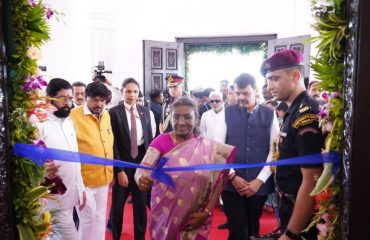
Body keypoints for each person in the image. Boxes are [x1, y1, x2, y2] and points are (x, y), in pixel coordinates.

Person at [135, 97, 235, 240]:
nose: (181, 122)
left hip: (195, 218)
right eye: (176, 117)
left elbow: (218, 181)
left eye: (187, 117)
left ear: (196, 118)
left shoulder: (209, 148)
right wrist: (140, 178)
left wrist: (207, 212)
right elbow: (143, 167)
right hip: (164, 215)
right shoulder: (161, 141)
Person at [261, 49, 325, 240]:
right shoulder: (294, 110)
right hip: (290, 204)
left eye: (274, 78)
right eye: (268, 80)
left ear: (296, 75)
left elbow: (311, 180)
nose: (269, 86)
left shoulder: (306, 115)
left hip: (305, 220)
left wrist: (291, 233)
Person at [221, 73, 279, 239]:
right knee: (238, 230)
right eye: (238, 93)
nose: (241, 97)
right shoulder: (227, 112)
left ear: (255, 91)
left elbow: (274, 151)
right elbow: (219, 148)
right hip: (231, 185)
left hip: (258, 185)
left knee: (253, 228)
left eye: (246, 93)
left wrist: (259, 181)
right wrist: (232, 176)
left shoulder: (269, 114)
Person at [37, 78, 86, 240]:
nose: (68, 102)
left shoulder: (69, 122)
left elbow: (75, 159)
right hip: (51, 199)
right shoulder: (38, 124)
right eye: (63, 98)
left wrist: (81, 189)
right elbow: (29, 164)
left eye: (70, 98)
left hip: (69, 196)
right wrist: (42, 173)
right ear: (48, 99)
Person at [108, 78, 155, 240]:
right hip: (122, 165)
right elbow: (112, 143)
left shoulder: (145, 112)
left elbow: (149, 141)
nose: (132, 94)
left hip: (140, 166)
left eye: (135, 91)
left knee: (141, 208)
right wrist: (118, 170)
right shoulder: (113, 113)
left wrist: (148, 167)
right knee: (117, 208)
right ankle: (115, 236)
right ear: (122, 92)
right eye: (128, 91)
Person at [70, 81, 114, 240]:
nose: (99, 104)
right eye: (95, 100)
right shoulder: (73, 116)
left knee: (100, 218)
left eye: (102, 100)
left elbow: (108, 142)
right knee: (87, 220)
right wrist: (77, 183)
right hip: (84, 180)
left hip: (104, 178)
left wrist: (112, 172)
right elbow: (70, 149)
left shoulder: (106, 115)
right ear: (86, 97)